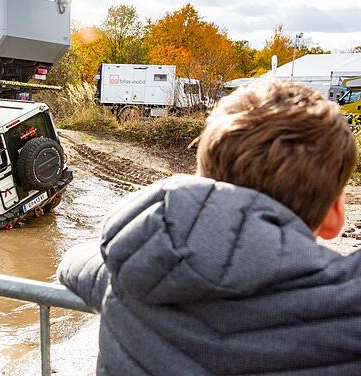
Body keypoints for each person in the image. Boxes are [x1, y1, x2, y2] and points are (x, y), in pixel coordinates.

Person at [58, 79, 361, 375]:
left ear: (202, 179)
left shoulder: (133, 273)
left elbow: (75, 264)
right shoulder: (347, 308)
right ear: (335, 214)